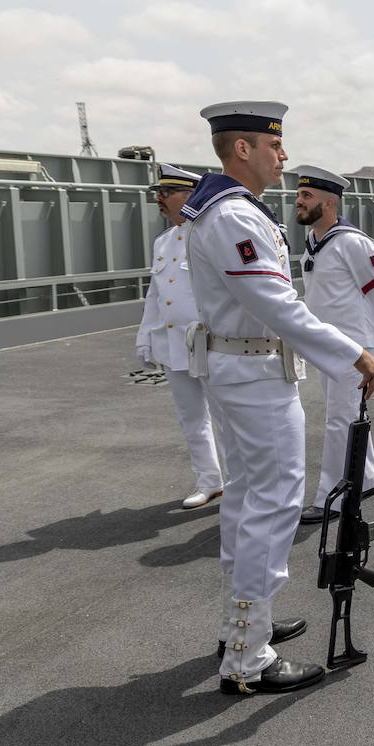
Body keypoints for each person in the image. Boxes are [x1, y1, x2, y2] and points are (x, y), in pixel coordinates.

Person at [183, 101, 374, 695]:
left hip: (240, 368)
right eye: (274, 146)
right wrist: (354, 353)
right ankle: (247, 659)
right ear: (242, 149)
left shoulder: (228, 210)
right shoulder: (233, 218)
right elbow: (278, 306)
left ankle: (245, 628)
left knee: (247, 500)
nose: (284, 156)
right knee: (271, 504)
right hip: (253, 374)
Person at [293, 165, 374, 525]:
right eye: (300, 194)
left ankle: (331, 498)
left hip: (354, 346)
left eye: (307, 196)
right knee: (347, 415)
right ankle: (364, 480)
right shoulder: (315, 242)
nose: (298, 201)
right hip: (330, 345)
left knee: (339, 419)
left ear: (330, 202)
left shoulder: (351, 242)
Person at [135, 164, 230, 509]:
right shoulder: (163, 242)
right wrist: (145, 337)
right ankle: (210, 481)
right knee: (191, 416)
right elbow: (155, 296)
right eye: (158, 194)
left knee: (224, 417)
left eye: (165, 193)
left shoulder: (208, 233)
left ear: (189, 195)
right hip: (175, 344)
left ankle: (237, 482)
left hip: (210, 342)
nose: (159, 199)